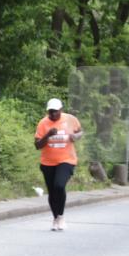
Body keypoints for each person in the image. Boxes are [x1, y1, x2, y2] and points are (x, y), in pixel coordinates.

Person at [34, 98, 83, 231]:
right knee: (52, 191)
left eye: (55, 112)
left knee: (59, 186)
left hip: (66, 160)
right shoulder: (43, 123)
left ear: (61, 110)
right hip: (48, 162)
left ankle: (61, 216)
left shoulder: (70, 119)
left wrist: (75, 136)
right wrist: (48, 135)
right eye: (50, 112)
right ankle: (56, 218)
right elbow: (37, 145)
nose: (53, 114)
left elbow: (80, 131)